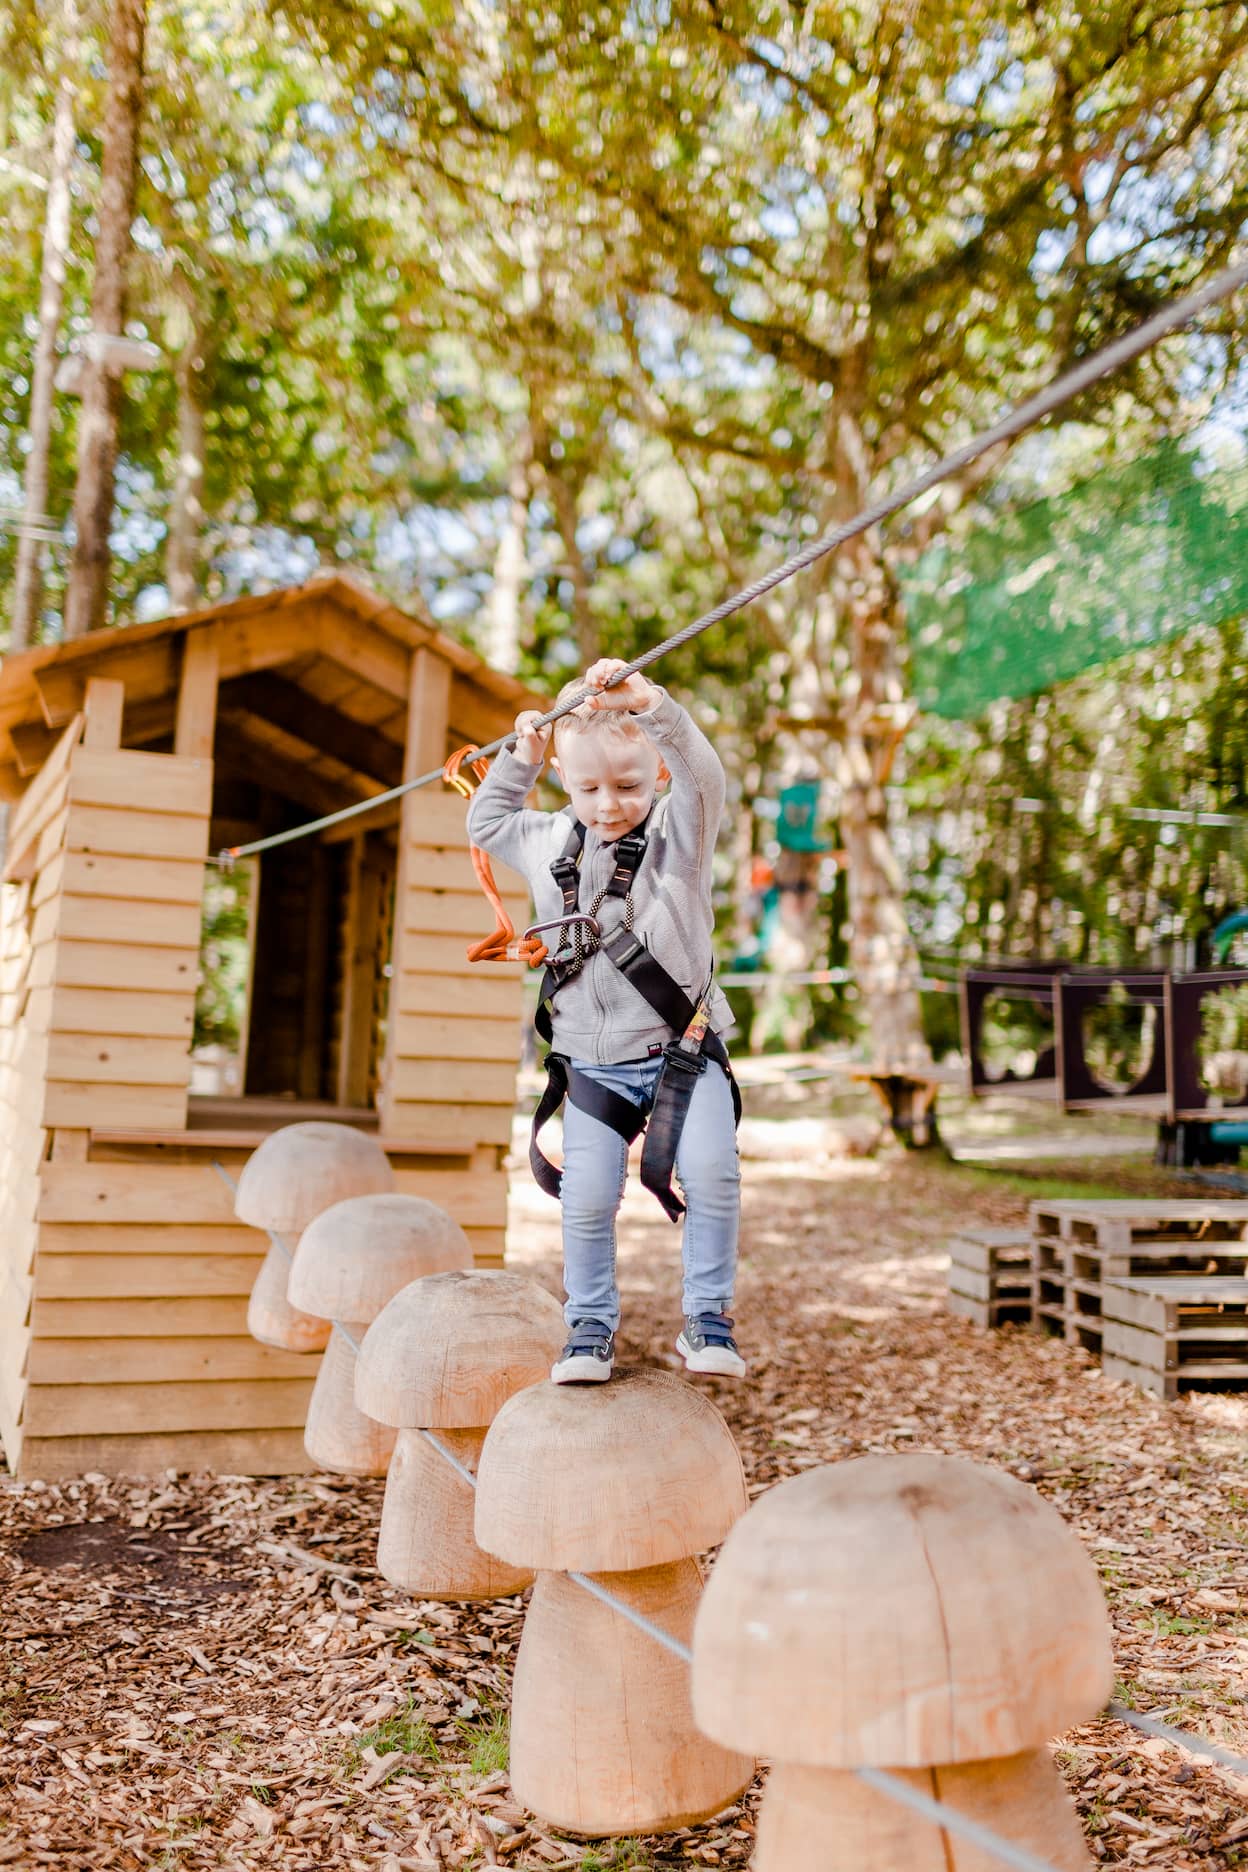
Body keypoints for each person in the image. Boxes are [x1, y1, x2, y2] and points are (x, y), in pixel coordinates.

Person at [466, 657, 746, 1385]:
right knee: (586, 1198)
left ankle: (709, 1319)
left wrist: (651, 703)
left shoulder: (677, 842)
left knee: (712, 1171)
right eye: (587, 786)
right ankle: (588, 1328)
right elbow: (486, 819)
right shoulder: (543, 839)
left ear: (654, 772)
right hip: (590, 1065)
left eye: (626, 785)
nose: (607, 804)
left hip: (678, 1051)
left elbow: (704, 777)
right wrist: (521, 759)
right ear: (565, 776)